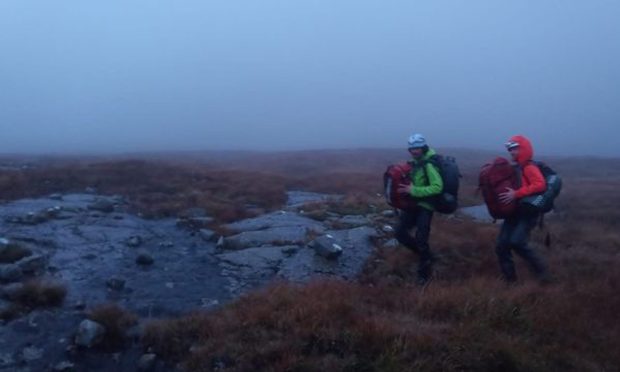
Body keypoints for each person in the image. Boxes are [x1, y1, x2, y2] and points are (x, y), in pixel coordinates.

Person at [496, 135, 550, 283]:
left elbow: (540, 184)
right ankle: (510, 281)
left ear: (523, 149)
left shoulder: (529, 167)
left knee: (517, 242)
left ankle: (543, 275)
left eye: (514, 149)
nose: (511, 152)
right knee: (501, 246)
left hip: (528, 213)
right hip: (515, 212)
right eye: (510, 150)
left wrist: (516, 193)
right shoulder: (518, 167)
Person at [396, 133, 443, 285]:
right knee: (400, 233)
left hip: (426, 206)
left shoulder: (429, 164)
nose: (414, 151)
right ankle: (426, 256)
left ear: (423, 147)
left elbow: (437, 187)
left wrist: (414, 190)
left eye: (416, 148)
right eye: (411, 149)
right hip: (412, 204)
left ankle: (424, 274)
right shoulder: (414, 163)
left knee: (421, 239)